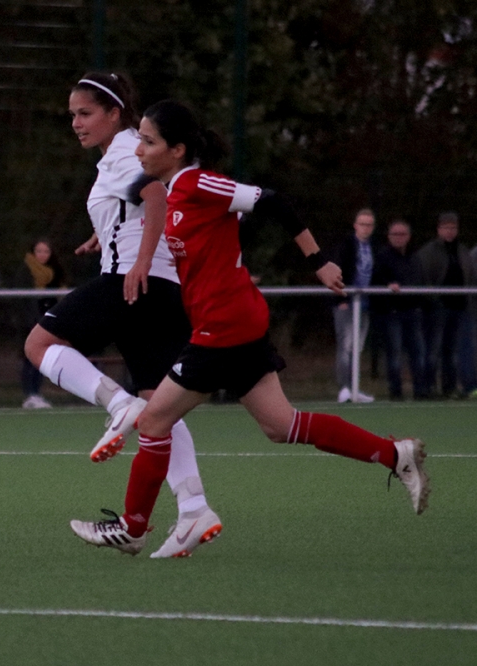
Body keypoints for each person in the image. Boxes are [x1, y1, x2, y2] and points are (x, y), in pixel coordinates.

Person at [70, 100, 429, 556]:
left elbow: (273, 200)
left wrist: (318, 261)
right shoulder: (175, 191)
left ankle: (134, 527)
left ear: (177, 150)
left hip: (223, 328)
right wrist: (104, 233)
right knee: (282, 425)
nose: (138, 149)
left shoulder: (197, 182)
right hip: (233, 322)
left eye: (148, 141)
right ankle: (396, 455)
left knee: (155, 421)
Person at [25, 73, 221, 558]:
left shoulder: (124, 152)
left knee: (39, 345)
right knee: (161, 404)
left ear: (114, 114)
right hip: (164, 290)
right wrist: (106, 231)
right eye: (72, 115)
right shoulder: (132, 149)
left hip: (132, 284)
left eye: (85, 113)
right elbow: (143, 203)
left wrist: (138, 260)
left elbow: (155, 196)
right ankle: (194, 507)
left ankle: (117, 405)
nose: (76, 123)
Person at [415, 211, 477, 399]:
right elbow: (424, 279)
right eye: (446, 227)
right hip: (438, 310)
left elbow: (470, 277)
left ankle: (450, 388)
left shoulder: (463, 251)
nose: (450, 231)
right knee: (433, 351)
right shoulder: (429, 251)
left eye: (453, 228)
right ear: (439, 229)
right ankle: (429, 387)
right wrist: (433, 300)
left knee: (453, 352)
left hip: (461, 309)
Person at [372, 218, 427, 399]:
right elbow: (376, 280)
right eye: (395, 234)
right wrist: (388, 286)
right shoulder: (382, 257)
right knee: (394, 354)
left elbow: (420, 280)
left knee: (418, 353)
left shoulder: (415, 257)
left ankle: (420, 391)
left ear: (409, 236)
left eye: (402, 234)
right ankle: (396, 392)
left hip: (413, 312)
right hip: (392, 313)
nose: (399, 237)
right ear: (388, 236)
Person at [330, 209, 377, 403]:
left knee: (357, 347)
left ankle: (355, 387)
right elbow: (336, 271)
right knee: (345, 345)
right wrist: (341, 299)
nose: (366, 228)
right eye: (363, 224)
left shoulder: (374, 247)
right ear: (355, 225)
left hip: (364, 304)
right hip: (346, 303)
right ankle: (344, 388)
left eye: (369, 224)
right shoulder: (346, 246)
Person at [16, 239, 65, 409]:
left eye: (46, 251)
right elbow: (22, 300)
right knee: (29, 358)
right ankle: (29, 394)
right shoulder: (25, 271)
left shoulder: (55, 272)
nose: (42, 255)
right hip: (30, 322)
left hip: (48, 322)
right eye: (39, 251)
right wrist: (30, 320)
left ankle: (36, 393)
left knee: (43, 358)